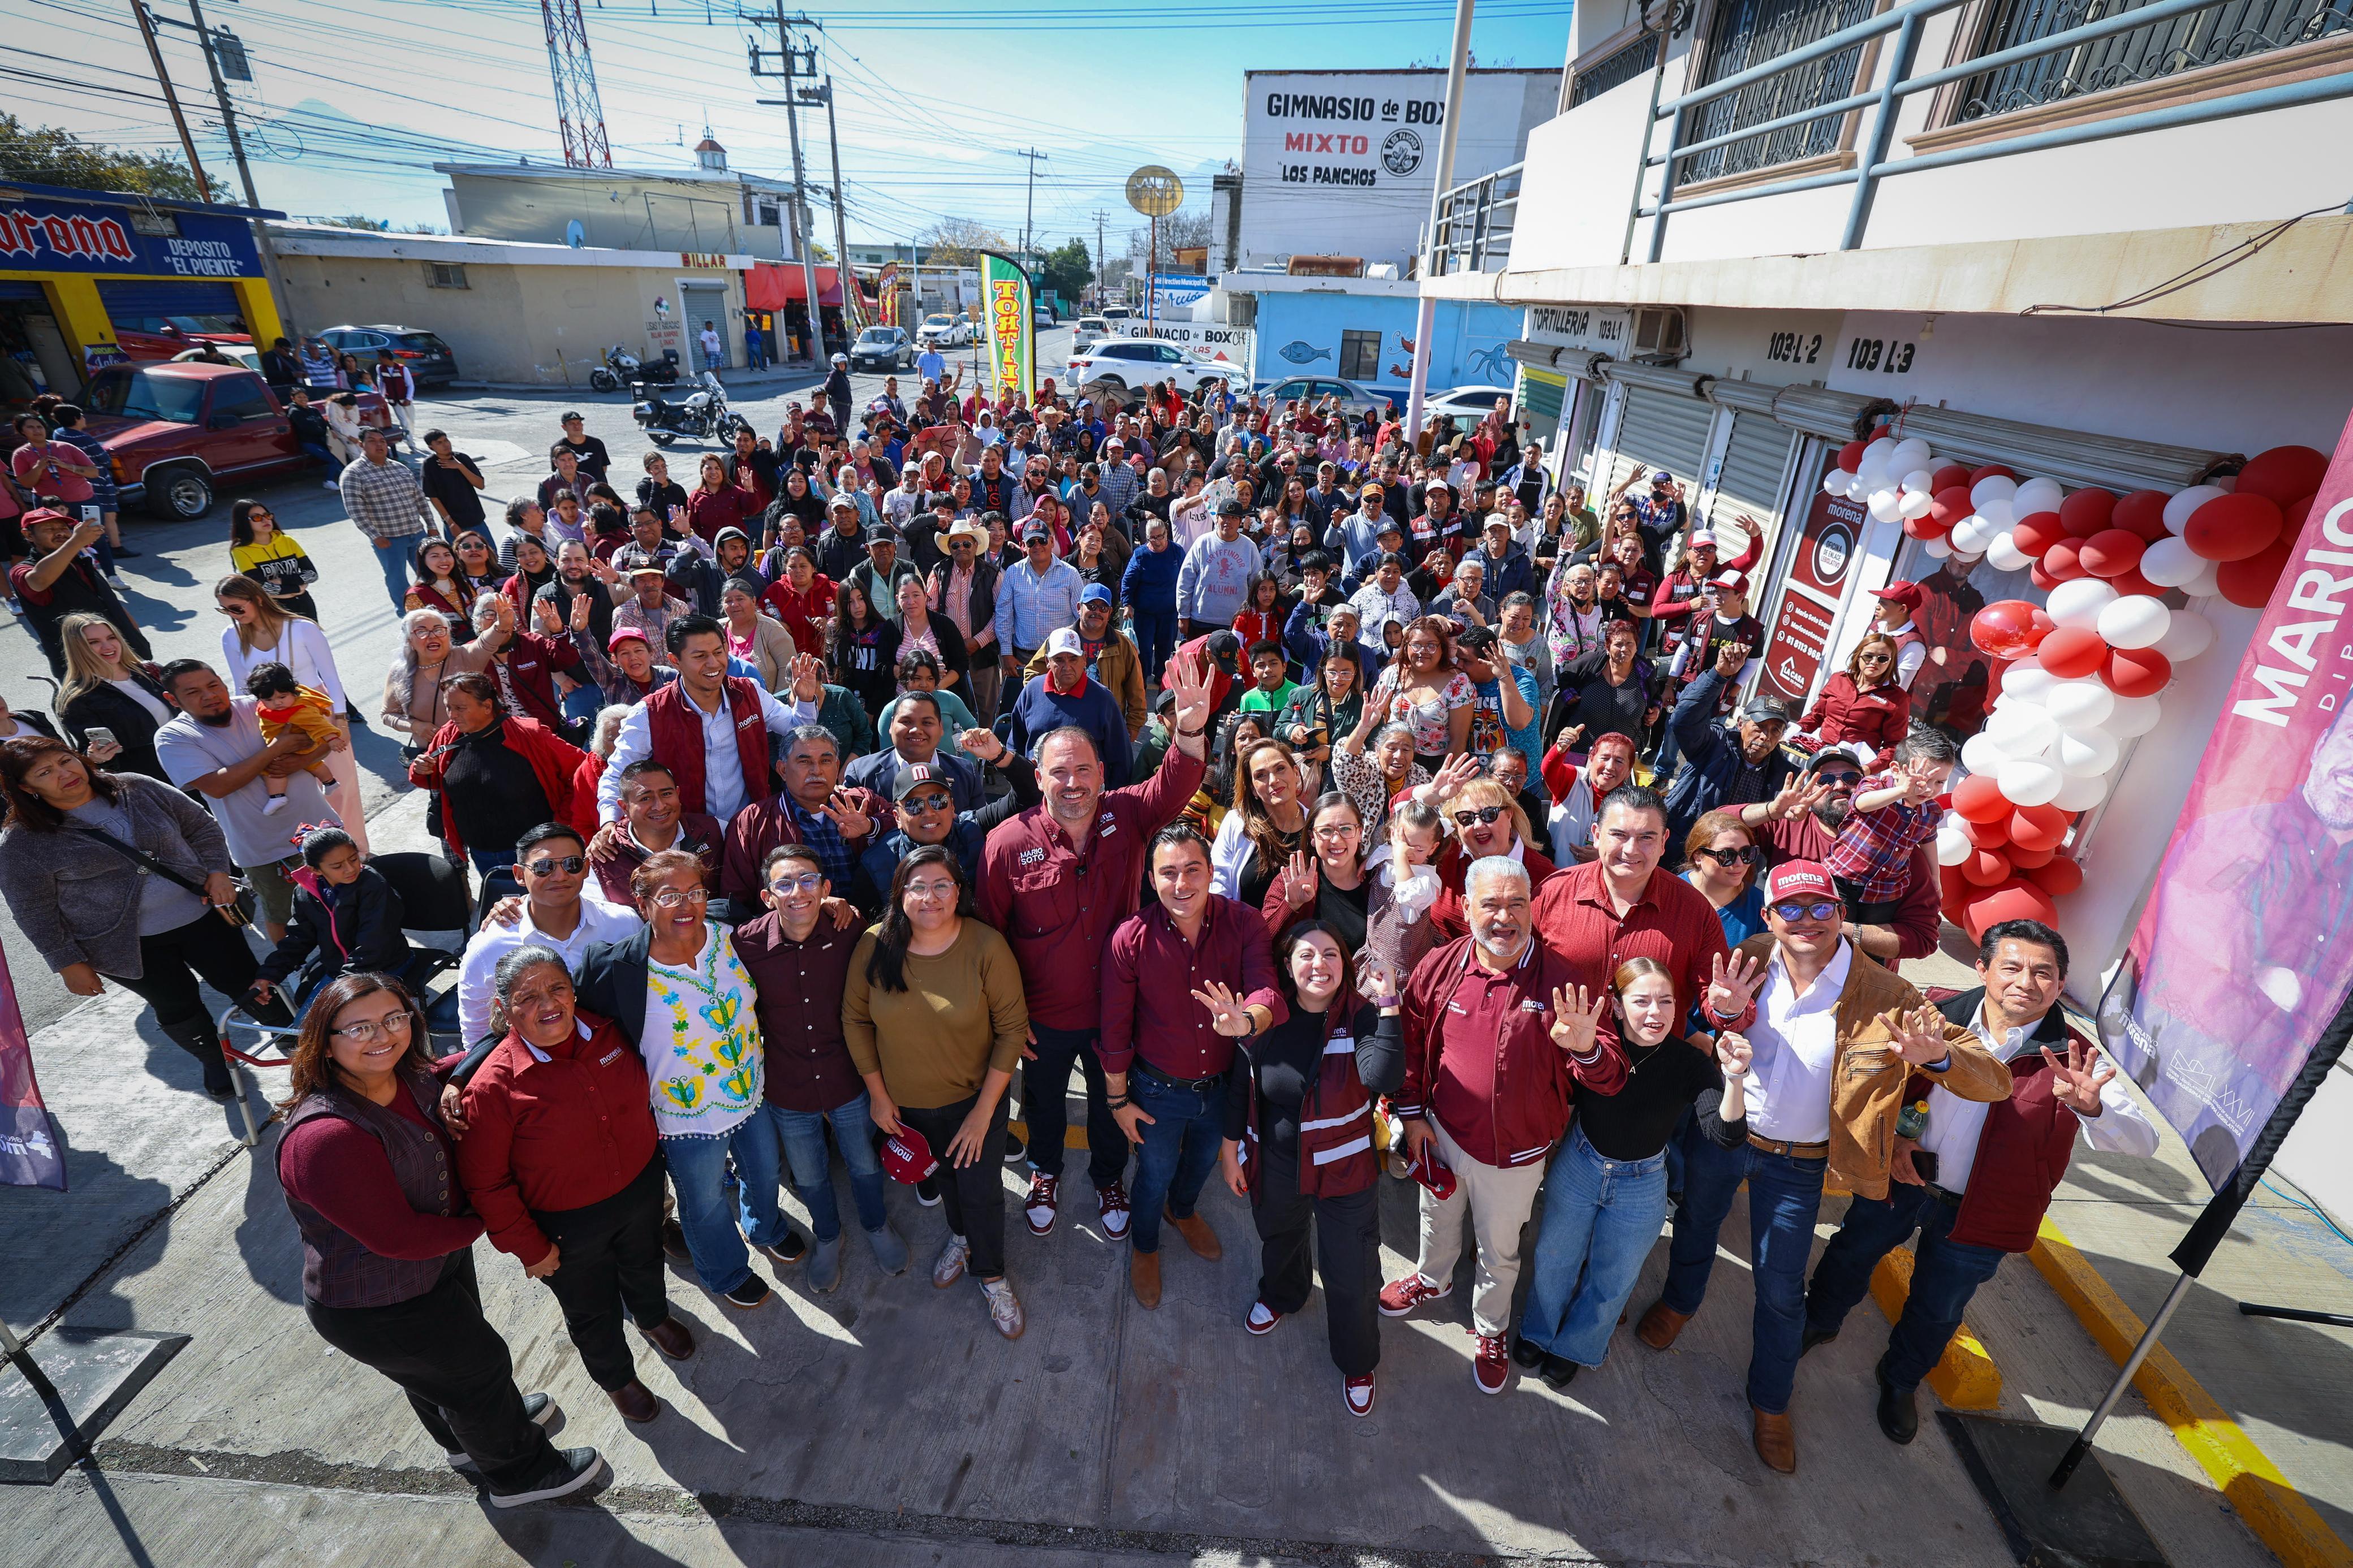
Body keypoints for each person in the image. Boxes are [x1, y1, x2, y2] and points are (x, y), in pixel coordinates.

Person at [1636, 859, 2005, 1473]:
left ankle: (1770, 1402)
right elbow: (1710, 1026)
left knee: (1780, 1289)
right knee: (1695, 1227)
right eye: (1792, 908)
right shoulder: (1749, 957)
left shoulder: (1887, 992)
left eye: (1820, 907)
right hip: (1726, 1134)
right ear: (1769, 917)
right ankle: (1679, 1301)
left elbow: (1990, 1079)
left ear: (1839, 913)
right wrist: (1724, 1015)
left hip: (1798, 1165)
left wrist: (1936, 1056)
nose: (1807, 921)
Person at [1804, 918, 2158, 1442]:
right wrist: (1898, 1141)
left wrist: (2095, 1107)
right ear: (1983, 968)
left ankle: (1900, 1379)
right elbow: (1877, 1085)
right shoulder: (1931, 1015)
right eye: (2011, 966)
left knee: (1939, 1305)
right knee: (1852, 1250)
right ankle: (1819, 1320)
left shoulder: (2073, 1058)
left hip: (1983, 1209)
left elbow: (2142, 1142)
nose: (2026, 981)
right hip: (1903, 1180)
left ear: (2061, 985)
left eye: (2044, 973)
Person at [276, 973, 602, 1507]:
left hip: (433, 1269)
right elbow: (400, 1239)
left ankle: (468, 1440)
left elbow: (455, 1065)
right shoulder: (326, 1137)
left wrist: (499, 1035)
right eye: (358, 1027)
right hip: (379, 1304)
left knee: (441, 1380)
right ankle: (522, 1476)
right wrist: (498, 1218)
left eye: (394, 1018)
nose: (381, 1035)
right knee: (478, 1372)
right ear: (325, 1041)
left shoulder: (405, 1077)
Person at [978, 651, 1217, 1243]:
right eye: (1058, 772)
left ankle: (1109, 1177)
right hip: (1043, 1017)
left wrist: (1188, 728)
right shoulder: (1007, 844)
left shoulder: (1127, 815)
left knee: (1117, 1103)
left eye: (1083, 770)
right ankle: (1045, 1171)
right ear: (1037, 777)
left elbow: (1176, 780)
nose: (1072, 783)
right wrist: (1006, 1019)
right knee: (1044, 1104)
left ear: (1102, 772)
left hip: (1115, 1009)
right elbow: (988, 937)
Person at [1380, 857, 1631, 1394]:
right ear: (1466, 907)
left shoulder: (1566, 980)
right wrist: (1411, 1114)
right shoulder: (1441, 965)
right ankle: (1432, 1278)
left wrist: (1586, 1047)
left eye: (1517, 903)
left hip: (1517, 1156)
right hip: (1442, 1134)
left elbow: (1612, 1076)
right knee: (1436, 1218)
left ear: (1532, 909)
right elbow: (1411, 1038)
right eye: (1490, 903)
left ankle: (1490, 1329)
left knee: (1500, 1249)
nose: (1504, 916)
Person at [455, 944, 696, 1423]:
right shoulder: (492, 1087)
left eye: (557, 988)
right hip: (565, 1225)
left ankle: (652, 1318)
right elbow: (486, 1184)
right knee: (591, 1308)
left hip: (639, 1191)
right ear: (503, 1011)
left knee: (646, 1264)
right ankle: (617, 1378)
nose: (548, 1005)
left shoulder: (611, 1028)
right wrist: (530, 1248)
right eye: (528, 997)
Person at [568, 848, 799, 1307]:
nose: (686, 905)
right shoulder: (615, 968)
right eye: (669, 895)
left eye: (695, 891)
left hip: (750, 1094)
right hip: (683, 1117)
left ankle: (766, 1227)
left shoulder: (732, 933)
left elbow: (794, 923)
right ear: (642, 902)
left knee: (764, 1171)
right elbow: (561, 1028)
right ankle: (726, 1271)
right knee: (706, 1202)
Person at [1514, 958, 1753, 1389]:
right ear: (1617, 1006)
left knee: (1615, 1276)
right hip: (1581, 1163)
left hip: (1642, 1182)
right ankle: (1538, 1332)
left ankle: (1576, 1347)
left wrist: (1734, 1079)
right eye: (1641, 1001)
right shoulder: (1594, 1041)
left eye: (1666, 1001)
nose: (1655, 1013)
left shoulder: (1688, 1062)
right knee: (1554, 1258)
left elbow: (1724, 1133)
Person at [0, 735, 273, 1100]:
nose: (64, 773)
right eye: (45, 772)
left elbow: (201, 826)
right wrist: (67, 963)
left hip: (201, 914)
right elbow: (34, 911)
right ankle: (215, 1061)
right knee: (176, 1005)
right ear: (25, 787)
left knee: (243, 979)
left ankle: (289, 1033)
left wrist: (217, 872)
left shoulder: (136, 787)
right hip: (121, 944)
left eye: (65, 760)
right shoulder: (23, 843)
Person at [843, 847, 1029, 1337]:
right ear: (900, 893)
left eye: (942, 885)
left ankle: (991, 1274)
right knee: (944, 1178)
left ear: (959, 891)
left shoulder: (985, 946)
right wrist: (879, 1096)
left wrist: (984, 1114)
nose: (931, 897)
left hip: (976, 1101)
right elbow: (856, 1019)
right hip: (908, 1104)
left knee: (982, 1190)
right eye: (918, 886)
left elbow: (1012, 1030)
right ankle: (961, 1237)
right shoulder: (874, 944)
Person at [1217, 921, 1401, 1413]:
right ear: (1287, 965)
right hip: (1275, 1164)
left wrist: (1389, 1007)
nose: (1319, 964)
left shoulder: (1363, 1016)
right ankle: (1282, 1294)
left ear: (1347, 966)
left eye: (1331, 955)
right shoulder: (1265, 1017)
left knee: (1353, 1271)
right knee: (1280, 1237)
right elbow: (1240, 1087)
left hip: (1345, 1173)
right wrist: (1229, 1148)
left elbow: (1382, 1076)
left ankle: (1357, 1359)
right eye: (1306, 955)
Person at [1101, 823, 1285, 1308]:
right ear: (1151, 877)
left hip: (1223, 1086)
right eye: (1168, 872)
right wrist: (1117, 1099)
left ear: (1210, 871)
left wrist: (1246, 1020)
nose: (1181, 884)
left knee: (1201, 1163)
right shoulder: (1130, 938)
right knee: (1153, 1173)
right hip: (1157, 1088)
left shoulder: (1244, 922)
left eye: (1192, 869)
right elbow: (1115, 1028)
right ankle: (1145, 1244)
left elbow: (1267, 989)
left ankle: (1182, 1212)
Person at [734, 843, 908, 1288]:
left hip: (848, 1075)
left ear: (826, 887)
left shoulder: (849, 929)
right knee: (809, 1174)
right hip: (788, 1086)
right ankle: (828, 1236)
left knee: (864, 1161)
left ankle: (875, 1224)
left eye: (809, 880)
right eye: (785, 883)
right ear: (767, 895)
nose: (798, 892)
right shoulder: (744, 944)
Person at [1530, 784, 1746, 1034]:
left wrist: (1728, 1010)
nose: (1631, 850)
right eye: (1619, 835)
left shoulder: (1695, 911)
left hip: (1651, 1066)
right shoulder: (1553, 892)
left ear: (1664, 842)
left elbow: (1715, 998)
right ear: (1597, 835)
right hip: (1559, 1060)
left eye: (1646, 837)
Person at [153, 660, 337, 943]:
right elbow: (217, 786)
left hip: (321, 829)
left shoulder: (262, 703)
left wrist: (298, 762)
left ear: (223, 683)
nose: (209, 696)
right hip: (263, 851)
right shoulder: (173, 738)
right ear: (172, 699)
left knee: (351, 902)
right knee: (284, 918)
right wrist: (278, 748)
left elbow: (325, 734)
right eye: (193, 692)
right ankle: (297, 975)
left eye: (213, 685)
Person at [595, 620, 818, 828]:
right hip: (686, 835)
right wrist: (608, 823)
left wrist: (806, 699)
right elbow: (617, 775)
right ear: (675, 661)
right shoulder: (650, 713)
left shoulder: (749, 693)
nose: (713, 664)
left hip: (750, 826)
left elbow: (798, 732)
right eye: (700, 656)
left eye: (718, 652)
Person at [215, 574, 367, 852]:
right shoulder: (231, 636)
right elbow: (242, 689)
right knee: (294, 790)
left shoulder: (302, 628)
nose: (231, 616)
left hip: (318, 715)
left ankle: (356, 851)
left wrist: (342, 721)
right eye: (225, 610)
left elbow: (331, 677)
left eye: (236, 608)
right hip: (273, 723)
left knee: (340, 787)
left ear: (258, 599)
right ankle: (315, 857)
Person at [457, 822, 641, 1044]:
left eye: (571, 864)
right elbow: (476, 1032)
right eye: (544, 867)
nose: (560, 876)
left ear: (586, 869)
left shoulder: (623, 924)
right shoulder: (489, 946)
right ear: (519, 875)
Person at [406, 674, 588, 873]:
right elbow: (430, 780)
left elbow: (583, 769)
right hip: (481, 853)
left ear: (486, 706)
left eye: (460, 708)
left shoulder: (528, 734)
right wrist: (420, 769)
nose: (452, 715)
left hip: (535, 853)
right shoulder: (447, 735)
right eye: (448, 707)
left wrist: (561, 821)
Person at [1820, 729, 1956, 924]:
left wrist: (1936, 876)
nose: (1929, 789)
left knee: (1871, 943)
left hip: (1884, 891)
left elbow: (1928, 840)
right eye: (1921, 780)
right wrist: (1901, 791)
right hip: (1841, 878)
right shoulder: (1876, 786)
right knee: (1836, 930)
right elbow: (1861, 803)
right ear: (1896, 769)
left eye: (1939, 782)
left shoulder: (1931, 811)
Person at [1663, 659, 1799, 852]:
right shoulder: (1713, 744)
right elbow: (1683, 720)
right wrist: (1717, 676)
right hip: (1681, 840)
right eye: (1759, 726)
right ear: (1741, 724)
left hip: (1731, 858)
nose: (1765, 736)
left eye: (1775, 730)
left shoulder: (1785, 776)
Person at [12, 508, 149, 679]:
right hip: (85, 670)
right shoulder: (23, 570)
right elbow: (38, 581)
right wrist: (76, 542)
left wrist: (136, 636)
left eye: (63, 528)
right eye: (49, 529)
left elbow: (111, 604)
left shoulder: (79, 561)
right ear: (29, 535)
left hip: (125, 654)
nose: (60, 533)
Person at [56, 612, 174, 783]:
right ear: (78, 649)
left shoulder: (152, 671)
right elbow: (86, 755)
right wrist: (97, 757)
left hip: (194, 759)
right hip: (153, 780)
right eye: (94, 642)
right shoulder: (77, 699)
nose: (108, 647)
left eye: (111, 638)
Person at [1022, 584, 1147, 742]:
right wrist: (1049, 703)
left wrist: (1134, 725)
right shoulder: (1060, 639)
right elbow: (1032, 674)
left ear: (1110, 612)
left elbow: (1136, 689)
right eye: (1092, 606)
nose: (1097, 612)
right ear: (1079, 607)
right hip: (1064, 724)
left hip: (1105, 725)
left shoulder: (1123, 645)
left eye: (1103, 608)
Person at [1010, 627, 1134, 786]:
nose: (1067, 666)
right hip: (1037, 794)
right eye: (1059, 660)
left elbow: (1121, 760)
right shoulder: (1032, 691)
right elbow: (1015, 746)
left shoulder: (1103, 699)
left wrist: (1114, 803)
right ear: (1048, 662)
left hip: (1085, 796)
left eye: (1073, 659)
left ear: (1084, 660)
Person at [843, 690, 984, 813]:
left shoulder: (965, 772)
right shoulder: (862, 774)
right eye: (906, 722)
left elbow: (979, 827)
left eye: (927, 723)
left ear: (941, 728)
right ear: (892, 725)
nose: (916, 730)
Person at [343, 428, 437, 611]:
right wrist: (375, 536)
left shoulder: (399, 467)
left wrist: (431, 526)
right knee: (397, 578)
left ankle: (436, 607)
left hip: (417, 533)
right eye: (372, 441)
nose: (379, 445)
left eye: (382, 441)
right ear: (361, 445)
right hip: (388, 539)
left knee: (430, 573)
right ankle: (408, 614)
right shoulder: (353, 474)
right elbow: (355, 510)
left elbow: (419, 498)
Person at [1365, 617, 1474, 774]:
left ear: (1442, 648)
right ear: (1406, 647)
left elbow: (1458, 740)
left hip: (1434, 767)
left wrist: (1444, 779)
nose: (1422, 651)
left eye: (1431, 646)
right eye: (1416, 645)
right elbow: (1377, 720)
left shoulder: (1458, 683)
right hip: (1393, 761)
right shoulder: (1392, 675)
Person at [244, 661, 344, 815]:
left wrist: (332, 739)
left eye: (282, 697)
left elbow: (319, 725)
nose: (277, 703)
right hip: (286, 743)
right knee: (315, 765)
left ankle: (277, 797)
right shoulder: (279, 705)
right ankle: (330, 782)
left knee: (272, 769)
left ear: (293, 691)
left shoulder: (300, 709)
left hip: (297, 744)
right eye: (269, 700)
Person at [1794, 632, 1911, 760]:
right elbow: (1816, 716)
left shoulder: (1897, 698)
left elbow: (1894, 746)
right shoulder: (1838, 679)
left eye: (1883, 658)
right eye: (1868, 656)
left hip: (1855, 763)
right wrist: (1794, 731)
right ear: (1858, 656)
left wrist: (1868, 769)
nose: (1874, 662)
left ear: (1891, 662)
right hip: (1819, 752)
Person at [1683, 809, 1769, 947]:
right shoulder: (1668, 893)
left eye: (1747, 853)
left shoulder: (1761, 906)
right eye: (1727, 855)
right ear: (1698, 856)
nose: (1740, 863)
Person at [230, 500, 320, 620]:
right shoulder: (241, 551)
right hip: (274, 609)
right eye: (257, 518)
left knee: (313, 639)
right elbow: (261, 588)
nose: (265, 520)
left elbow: (312, 575)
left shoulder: (288, 541)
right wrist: (298, 588)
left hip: (304, 603)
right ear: (243, 522)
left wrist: (281, 581)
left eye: (267, 515)